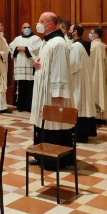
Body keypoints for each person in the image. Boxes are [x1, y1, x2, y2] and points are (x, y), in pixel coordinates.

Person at [30, 12, 72, 167]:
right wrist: (36, 63)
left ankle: (54, 161)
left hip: (52, 95)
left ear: (52, 24)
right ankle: (41, 156)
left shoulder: (58, 43)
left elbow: (60, 69)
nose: (39, 23)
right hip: (43, 92)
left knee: (53, 124)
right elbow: (43, 62)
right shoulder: (47, 41)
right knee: (43, 124)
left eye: (42, 21)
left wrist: (58, 94)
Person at [68, 23, 96, 141]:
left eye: (70, 29)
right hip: (83, 78)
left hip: (77, 80)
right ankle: (84, 133)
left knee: (78, 104)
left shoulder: (76, 46)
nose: (69, 31)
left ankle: (79, 134)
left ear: (75, 32)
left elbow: (72, 65)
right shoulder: (83, 45)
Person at [9, 22, 42, 112]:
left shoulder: (36, 39)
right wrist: (17, 48)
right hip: (20, 67)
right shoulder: (17, 39)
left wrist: (26, 49)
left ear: (31, 29)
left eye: (28, 27)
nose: (26, 29)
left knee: (30, 87)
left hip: (30, 67)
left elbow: (38, 49)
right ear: (21, 29)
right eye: (24, 27)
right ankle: (21, 106)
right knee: (21, 86)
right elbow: (11, 47)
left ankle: (30, 106)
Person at [89, 27, 107, 121]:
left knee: (95, 89)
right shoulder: (100, 45)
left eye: (91, 33)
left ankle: (96, 116)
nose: (89, 34)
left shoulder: (95, 46)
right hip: (97, 71)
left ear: (96, 35)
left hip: (94, 72)